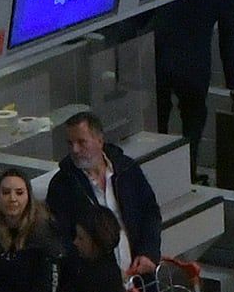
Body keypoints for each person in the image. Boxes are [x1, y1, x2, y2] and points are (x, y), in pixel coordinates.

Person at [46, 111, 163, 269]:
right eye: (70, 143)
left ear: (99, 141)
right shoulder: (62, 185)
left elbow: (150, 211)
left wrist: (149, 252)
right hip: (96, 281)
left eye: (81, 142)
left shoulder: (127, 169)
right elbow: (61, 237)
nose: (75, 149)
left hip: (139, 273)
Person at [149, 0, 234, 153]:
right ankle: (189, 174)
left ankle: (157, 174)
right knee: (193, 126)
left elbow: (138, 19)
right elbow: (228, 40)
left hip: (159, 64)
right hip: (194, 71)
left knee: (156, 129)